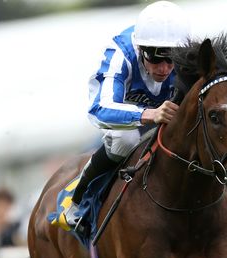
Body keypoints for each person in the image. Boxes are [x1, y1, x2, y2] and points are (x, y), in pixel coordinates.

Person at [62, 0, 191, 228]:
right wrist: (149, 114)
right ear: (141, 50)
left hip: (162, 113)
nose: (163, 68)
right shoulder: (120, 53)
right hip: (122, 115)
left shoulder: (188, 55)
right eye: (155, 58)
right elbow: (100, 109)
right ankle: (79, 197)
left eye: (171, 59)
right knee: (125, 139)